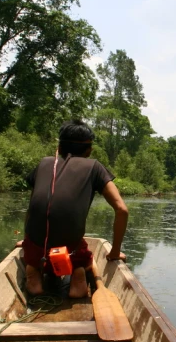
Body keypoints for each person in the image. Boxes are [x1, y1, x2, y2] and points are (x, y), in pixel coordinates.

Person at [22, 120, 128, 298]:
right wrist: (115, 252)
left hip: (37, 246)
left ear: (60, 147)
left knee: (34, 252)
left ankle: (33, 272)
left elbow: (34, 206)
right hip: (70, 250)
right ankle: (78, 272)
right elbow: (122, 210)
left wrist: (27, 240)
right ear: (89, 149)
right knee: (83, 255)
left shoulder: (43, 163)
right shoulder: (94, 166)